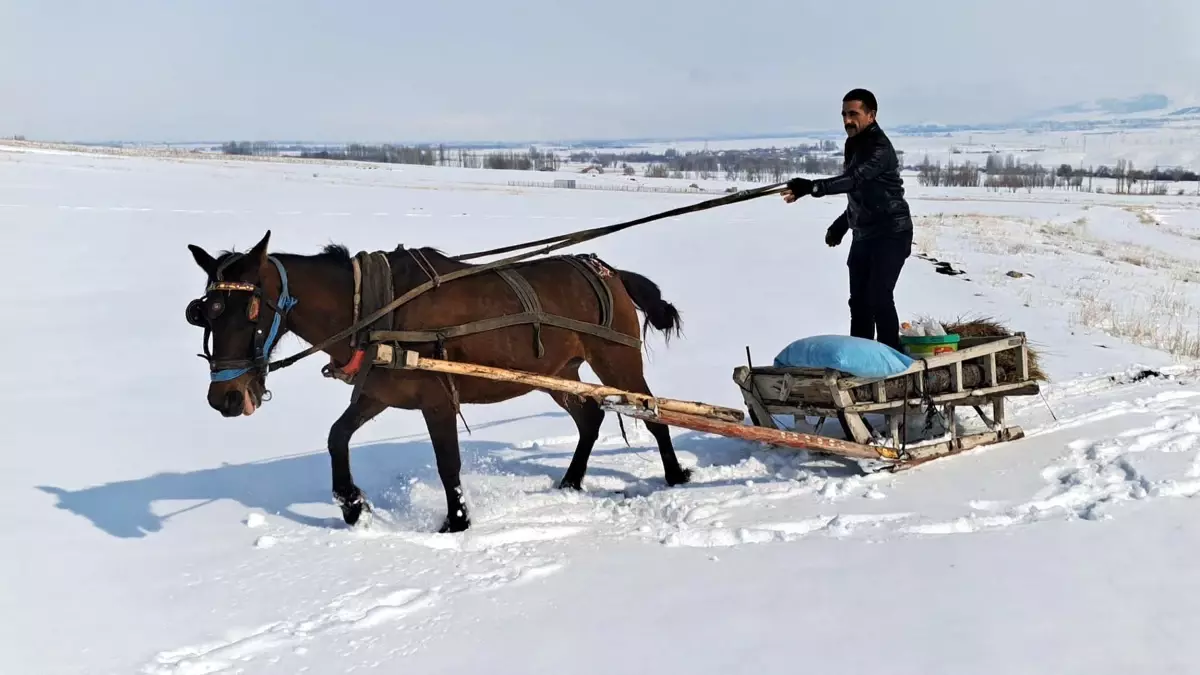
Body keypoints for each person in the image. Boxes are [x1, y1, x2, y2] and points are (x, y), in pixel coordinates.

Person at [782, 88, 913, 351]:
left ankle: (893, 360)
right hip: (864, 233)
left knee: (878, 297)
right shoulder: (853, 144)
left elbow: (855, 179)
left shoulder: (879, 147)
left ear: (871, 115)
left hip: (891, 232)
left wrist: (813, 187)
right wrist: (842, 225)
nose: (847, 120)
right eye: (844, 114)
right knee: (860, 302)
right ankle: (862, 357)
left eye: (853, 114)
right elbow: (859, 191)